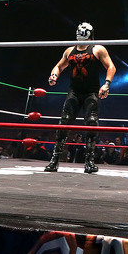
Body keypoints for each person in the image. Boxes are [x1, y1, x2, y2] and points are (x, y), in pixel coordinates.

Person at [45, 22, 116, 174]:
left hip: (91, 92)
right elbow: (59, 66)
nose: (80, 32)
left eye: (83, 30)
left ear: (89, 33)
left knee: (91, 122)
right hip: (74, 92)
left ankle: (89, 162)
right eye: (79, 30)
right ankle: (54, 161)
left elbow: (111, 66)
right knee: (64, 122)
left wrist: (107, 84)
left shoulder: (98, 49)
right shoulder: (69, 50)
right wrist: (54, 75)